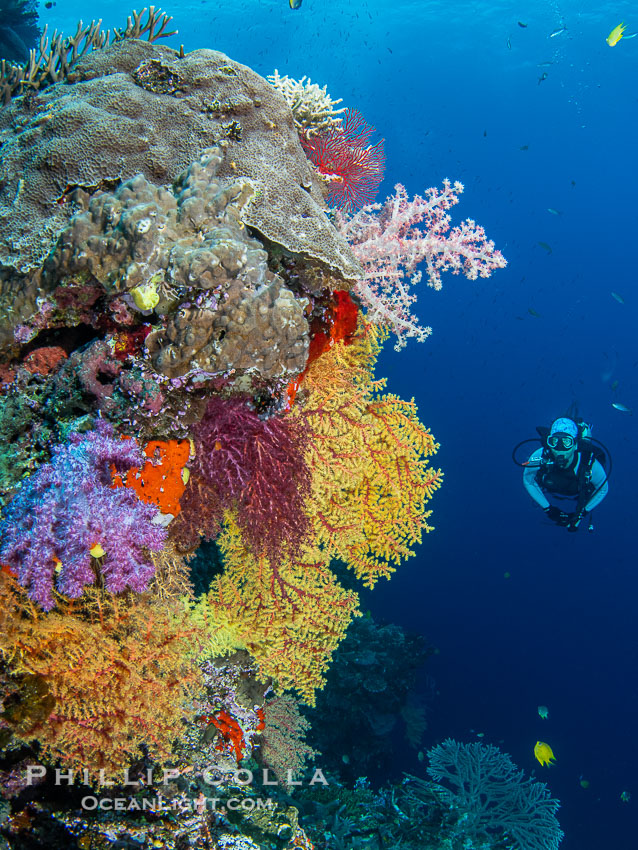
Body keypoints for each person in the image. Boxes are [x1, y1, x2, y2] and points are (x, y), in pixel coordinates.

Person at [523, 417, 608, 532]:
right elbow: (528, 479)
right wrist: (548, 509)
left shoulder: (589, 464)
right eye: (554, 441)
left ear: (576, 445)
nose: (560, 448)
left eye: (567, 442)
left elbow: (603, 489)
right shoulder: (541, 456)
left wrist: (581, 514)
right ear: (549, 443)